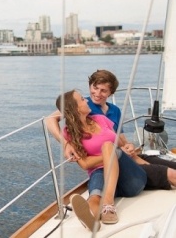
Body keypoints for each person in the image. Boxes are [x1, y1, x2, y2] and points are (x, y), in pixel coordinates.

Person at [47, 69, 176, 190]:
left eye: (103, 90)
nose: (97, 94)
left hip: (126, 155)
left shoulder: (114, 110)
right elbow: (50, 119)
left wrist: (129, 146)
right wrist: (66, 144)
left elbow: (121, 139)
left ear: (111, 93)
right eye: (95, 88)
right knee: (164, 172)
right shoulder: (83, 105)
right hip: (111, 162)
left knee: (165, 163)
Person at [56, 89, 147, 231]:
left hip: (126, 169)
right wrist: (109, 156)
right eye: (82, 99)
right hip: (98, 171)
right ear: (75, 108)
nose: (86, 100)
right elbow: (85, 164)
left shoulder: (100, 119)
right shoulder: (69, 133)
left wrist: (127, 147)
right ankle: (92, 219)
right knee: (94, 197)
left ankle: (108, 203)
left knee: (108, 146)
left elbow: (122, 145)